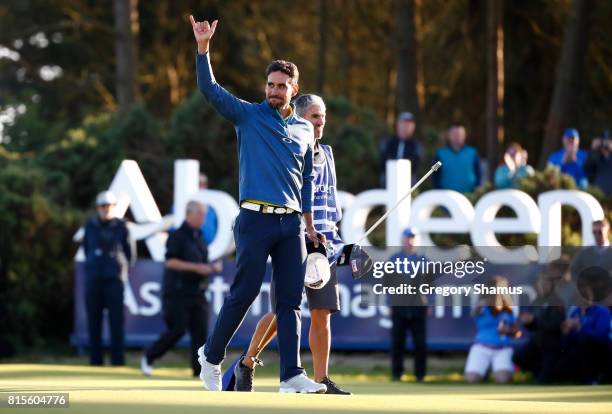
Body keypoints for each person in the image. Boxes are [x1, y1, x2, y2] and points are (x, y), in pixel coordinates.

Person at [189, 16, 326, 393]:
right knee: (244, 294)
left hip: (291, 225)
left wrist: (310, 224)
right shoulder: (247, 115)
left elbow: (308, 181)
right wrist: (204, 49)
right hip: (254, 219)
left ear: (294, 89)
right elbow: (210, 89)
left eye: (282, 86)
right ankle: (211, 357)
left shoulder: (303, 129)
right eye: (270, 84)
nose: (274, 91)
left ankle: (291, 376)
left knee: (290, 301)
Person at [234, 94, 350, 394]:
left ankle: (322, 378)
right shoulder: (290, 151)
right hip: (295, 238)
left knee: (323, 311)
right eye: (314, 116)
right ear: (300, 119)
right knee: (283, 312)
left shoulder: (328, 153)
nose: (320, 121)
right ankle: (247, 363)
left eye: (322, 115)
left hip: (323, 244)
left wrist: (336, 240)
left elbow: (329, 201)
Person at [141, 201, 222, 377]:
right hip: (177, 292)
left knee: (201, 334)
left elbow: (202, 263)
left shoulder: (200, 236)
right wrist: (196, 268)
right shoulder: (177, 236)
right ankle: (149, 356)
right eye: (200, 214)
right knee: (177, 330)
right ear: (189, 214)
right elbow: (170, 261)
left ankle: (199, 371)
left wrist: (211, 267)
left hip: (198, 291)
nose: (203, 218)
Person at [82, 191, 132, 366]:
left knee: (116, 321)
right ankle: (95, 361)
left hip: (114, 280)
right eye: (102, 206)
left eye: (108, 206)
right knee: (93, 321)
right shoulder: (90, 225)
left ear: (114, 206)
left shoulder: (122, 226)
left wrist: (120, 269)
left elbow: (129, 253)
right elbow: (87, 248)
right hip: (94, 279)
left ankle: (118, 361)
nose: (105, 209)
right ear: (98, 207)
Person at [388, 227, 428, 382]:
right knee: (397, 342)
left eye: (413, 238)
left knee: (420, 343)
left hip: (418, 307)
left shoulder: (424, 261)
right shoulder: (394, 259)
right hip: (399, 307)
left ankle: (420, 375)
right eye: (408, 238)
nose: (410, 241)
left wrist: (429, 303)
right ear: (402, 240)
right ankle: (397, 374)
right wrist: (389, 303)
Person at [464, 276, 521, 383]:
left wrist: (507, 332)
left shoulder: (509, 309)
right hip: (481, 347)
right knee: (471, 379)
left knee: (504, 380)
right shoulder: (480, 307)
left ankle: (501, 371)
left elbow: (517, 333)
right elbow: (474, 313)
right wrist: (482, 304)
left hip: (502, 348)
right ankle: (484, 371)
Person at [513, 270, 565, 383]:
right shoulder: (536, 302)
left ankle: (548, 373)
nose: (542, 285)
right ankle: (538, 372)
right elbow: (533, 326)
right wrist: (528, 322)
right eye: (540, 282)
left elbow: (555, 324)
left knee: (544, 380)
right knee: (518, 357)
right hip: (537, 343)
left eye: (545, 283)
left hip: (552, 345)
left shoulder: (557, 302)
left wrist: (535, 320)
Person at [379, 112, 423, 186]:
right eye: (403, 124)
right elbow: (383, 161)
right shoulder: (388, 142)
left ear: (413, 127)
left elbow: (416, 165)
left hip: (409, 181)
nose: (405, 127)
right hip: (388, 179)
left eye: (409, 125)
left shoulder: (416, 146)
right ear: (397, 125)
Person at [433, 125, 481, 192]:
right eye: (454, 134)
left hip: (469, 195)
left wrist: (476, 190)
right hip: (445, 196)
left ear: (464, 136)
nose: (457, 136)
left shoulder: (472, 152)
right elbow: (435, 175)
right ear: (449, 135)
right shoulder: (440, 154)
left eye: (460, 134)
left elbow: (478, 173)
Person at [584, 130, 612, 196]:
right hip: (598, 195)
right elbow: (586, 168)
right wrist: (593, 149)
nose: (605, 144)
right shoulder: (595, 157)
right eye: (603, 141)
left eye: (608, 141)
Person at [199, 174, 218, 244]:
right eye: (199, 183)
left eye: (204, 184)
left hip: (213, 249)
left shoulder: (213, 206)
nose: (202, 186)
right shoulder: (180, 204)